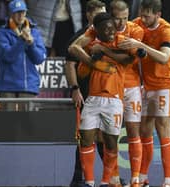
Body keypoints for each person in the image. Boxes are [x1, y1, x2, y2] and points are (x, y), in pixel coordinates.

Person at [118, 0, 170, 186]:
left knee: (163, 131)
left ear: (158, 15)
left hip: (164, 84)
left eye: (147, 16)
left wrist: (141, 45)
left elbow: (163, 57)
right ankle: (142, 177)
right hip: (145, 85)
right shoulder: (137, 24)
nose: (143, 19)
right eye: (142, 15)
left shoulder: (166, 30)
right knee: (144, 131)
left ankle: (168, 180)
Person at [69, 12, 135, 187]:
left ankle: (106, 182)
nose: (110, 32)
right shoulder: (91, 46)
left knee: (111, 142)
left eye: (112, 28)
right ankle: (90, 182)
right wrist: (93, 62)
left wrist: (105, 51)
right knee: (86, 139)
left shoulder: (121, 42)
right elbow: (80, 66)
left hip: (113, 100)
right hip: (93, 98)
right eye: (105, 29)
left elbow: (129, 59)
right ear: (97, 30)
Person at [65, 1, 106, 186]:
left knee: (105, 136)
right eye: (98, 15)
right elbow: (70, 64)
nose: (103, 18)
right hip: (86, 94)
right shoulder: (79, 37)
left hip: (105, 93)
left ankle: (110, 176)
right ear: (89, 15)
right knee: (85, 137)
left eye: (104, 14)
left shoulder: (108, 35)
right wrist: (75, 89)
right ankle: (78, 178)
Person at [109, 0, 144, 186]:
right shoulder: (104, 30)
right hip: (111, 88)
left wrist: (109, 51)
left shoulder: (136, 30)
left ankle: (135, 178)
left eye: (125, 18)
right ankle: (114, 178)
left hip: (131, 88)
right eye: (117, 19)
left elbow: (130, 59)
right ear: (111, 16)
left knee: (133, 132)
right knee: (112, 134)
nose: (121, 23)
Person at [0, 0, 46, 111]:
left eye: (22, 12)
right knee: (7, 125)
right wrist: (21, 40)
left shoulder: (34, 32)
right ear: (11, 14)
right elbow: (8, 56)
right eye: (17, 12)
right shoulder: (1, 32)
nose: (20, 15)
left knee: (26, 124)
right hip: (7, 85)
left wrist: (31, 44)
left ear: (26, 13)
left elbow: (39, 59)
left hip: (28, 84)